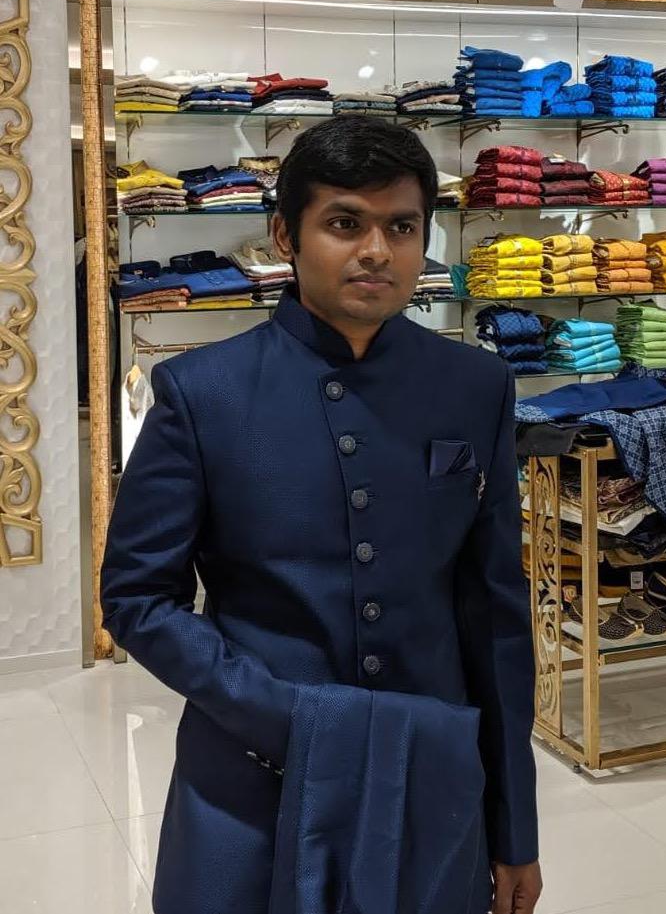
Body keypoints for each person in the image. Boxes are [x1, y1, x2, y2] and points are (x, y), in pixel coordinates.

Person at [101, 115, 541, 914]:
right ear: (285, 235)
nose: (377, 250)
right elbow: (137, 599)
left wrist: (516, 827)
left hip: (425, 774)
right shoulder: (201, 392)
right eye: (345, 223)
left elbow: (496, 615)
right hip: (249, 775)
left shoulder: (476, 386)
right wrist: (286, 715)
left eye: (401, 227)